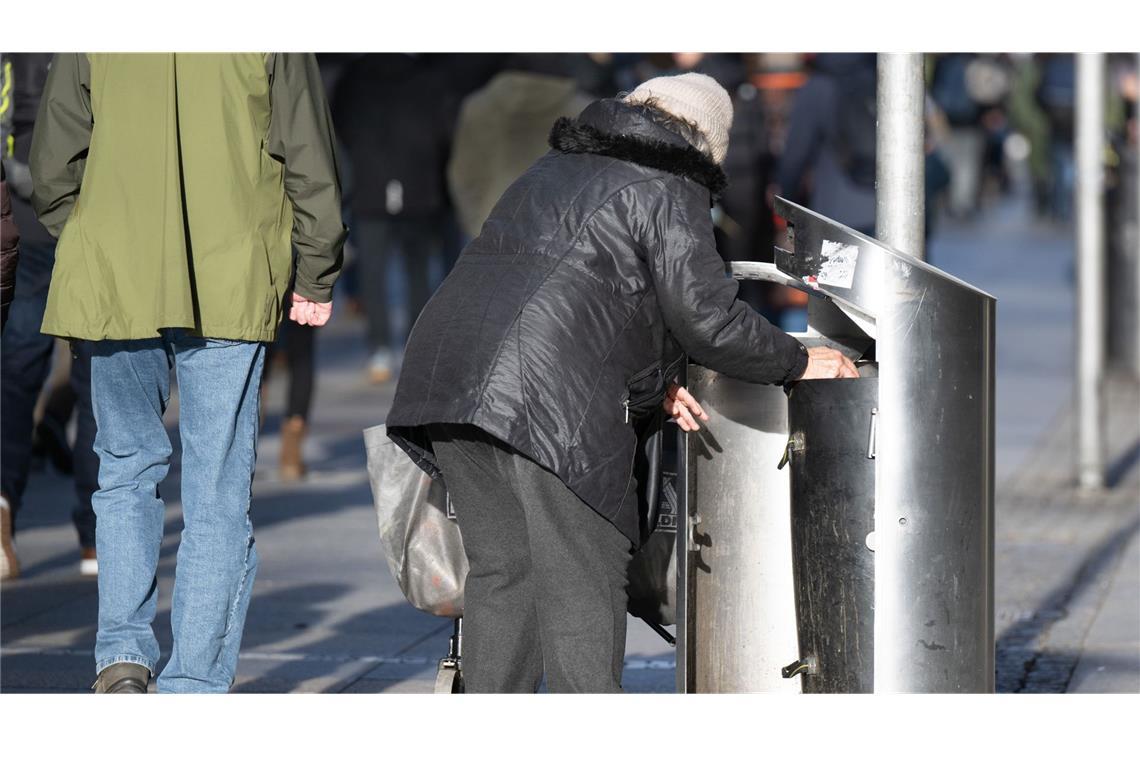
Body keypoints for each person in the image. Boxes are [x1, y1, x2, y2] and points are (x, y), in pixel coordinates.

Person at [386, 72, 857, 693]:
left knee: (504, 574)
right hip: (545, 397)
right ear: (706, 142)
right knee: (584, 574)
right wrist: (798, 362)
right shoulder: (670, 185)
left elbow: (597, 293)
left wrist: (657, 379)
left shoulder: (555, 167)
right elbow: (706, 317)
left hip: (450, 378)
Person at [30, 53, 345, 693]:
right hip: (232, 271)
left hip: (116, 274)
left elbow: (53, 163)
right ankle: (193, 684)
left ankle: (121, 655)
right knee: (218, 491)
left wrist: (94, 243)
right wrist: (315, 269)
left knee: (123, 470)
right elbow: (307, 152)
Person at [1, 52, 99, 581]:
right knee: (98, 374)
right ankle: (94, 537)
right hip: (90, 207)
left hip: (24, 206)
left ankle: (2, 509)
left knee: (15, 371)